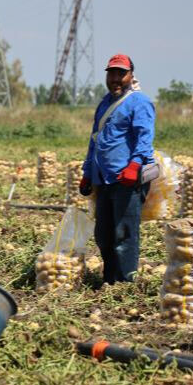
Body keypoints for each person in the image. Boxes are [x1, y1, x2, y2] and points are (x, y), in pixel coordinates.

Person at [79, 53, 156, 285]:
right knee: (103, 235)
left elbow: (144, 137)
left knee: (124, 234)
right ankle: (110, 280)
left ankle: (125, 284)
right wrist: (87, 172)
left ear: (131, 76)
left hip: (127, 180)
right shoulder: (105, 103)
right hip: (103, 179)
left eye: (121, 74)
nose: (115, 79)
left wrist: (134, 165)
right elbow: (95, 140)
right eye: (111, 73)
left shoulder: (139, 102)